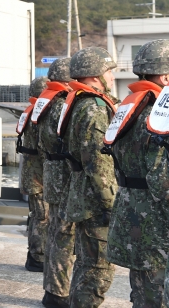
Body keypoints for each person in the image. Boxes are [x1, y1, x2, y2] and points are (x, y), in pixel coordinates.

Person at [105, 40, 169, 308]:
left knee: (142, 293)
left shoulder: (128, 108)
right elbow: (162, 180)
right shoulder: (161, 116)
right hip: (156, 223)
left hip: (130, 213)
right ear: (165, 76)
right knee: (157, 297)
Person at [57, 47, 118, 307]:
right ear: (95, 76)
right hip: (95, 202)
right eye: (109, 72)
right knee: (97, 272)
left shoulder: (80, 102)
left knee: (85, 265)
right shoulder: (93, 109)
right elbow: (98, 162)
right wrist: (111, 203)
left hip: (83, 195)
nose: (113, 78)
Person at [31, 58, 75, 308]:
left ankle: (52, 290)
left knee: (56, 232)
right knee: (63, 236)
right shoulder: (61, 105)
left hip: (51, 172)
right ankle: (58, 293)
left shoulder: (46, 102)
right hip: (63, 176)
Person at [16, 76, 50, 273]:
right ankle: (38, 257)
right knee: (42, 217)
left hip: (32, 174)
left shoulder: (30, 112)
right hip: (38, 176)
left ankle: (35, 253)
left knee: (37, 216)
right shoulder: (39, 115)